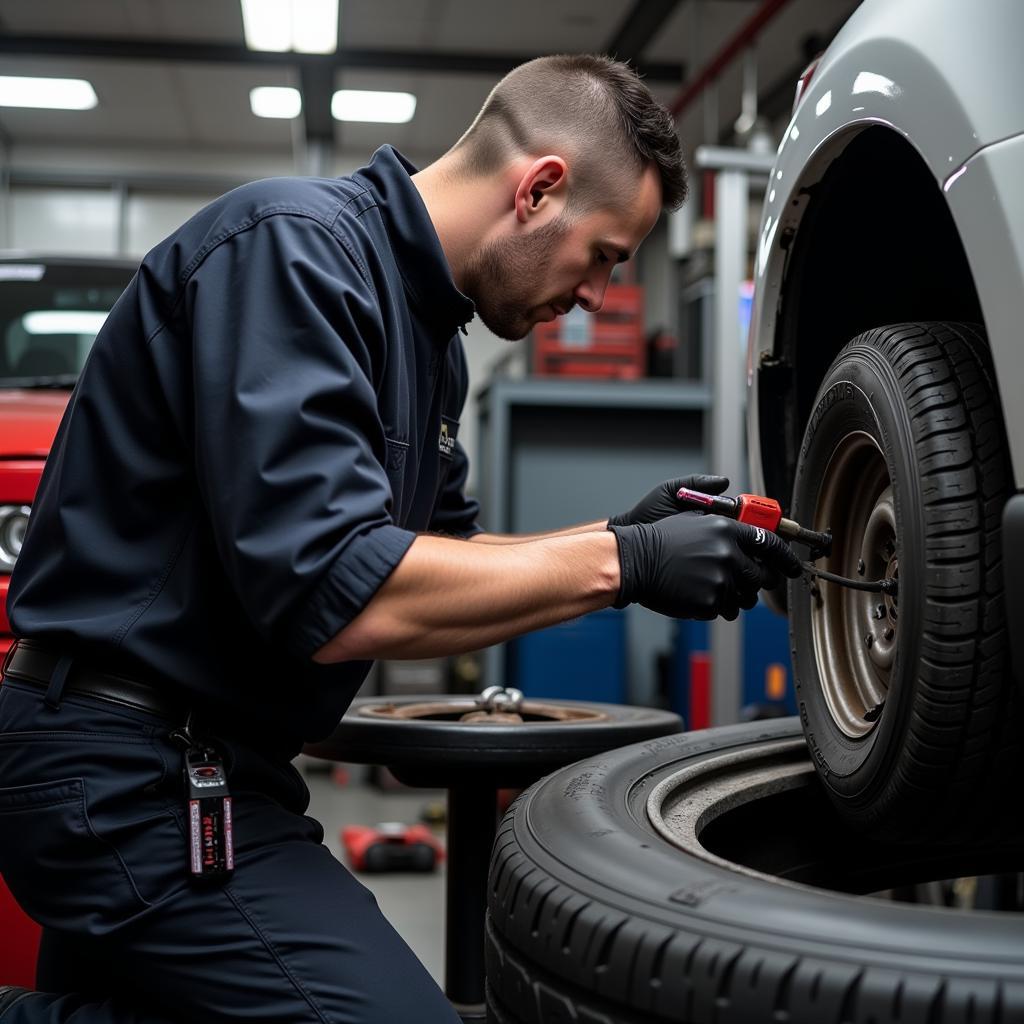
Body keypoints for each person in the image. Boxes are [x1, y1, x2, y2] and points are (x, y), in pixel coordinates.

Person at [0, 54, 800, 1023]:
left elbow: (444, 564)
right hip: (127, 769)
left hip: (211, 769)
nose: (595, 296)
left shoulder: (429, 343)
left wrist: (620, 533)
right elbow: (337, 585)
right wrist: (624, 565)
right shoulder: (296, 254)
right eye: (604, 255)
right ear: (540, 189)